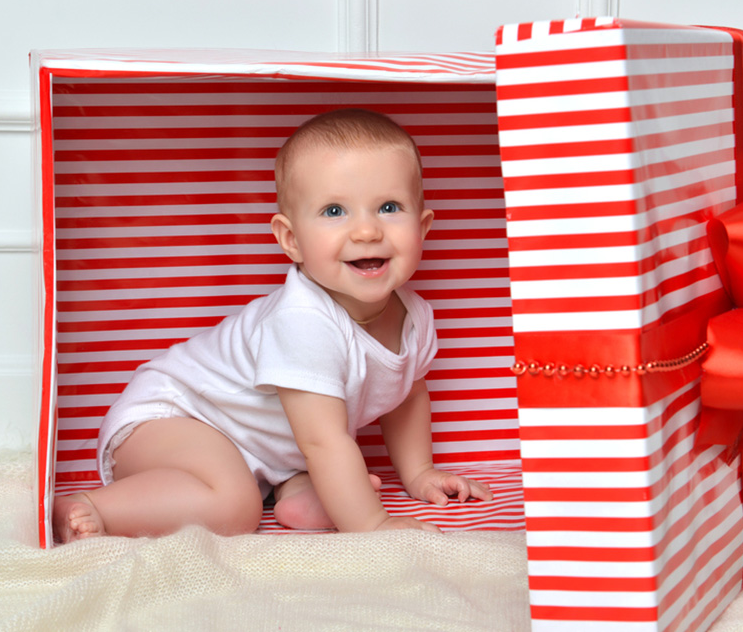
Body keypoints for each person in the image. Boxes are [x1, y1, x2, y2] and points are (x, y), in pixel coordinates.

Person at [53, 108, 492, 542]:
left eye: (389, 207)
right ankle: (94, 507)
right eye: (335, 210)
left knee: (323, 482)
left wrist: (418, 472)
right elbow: (323, 441)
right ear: (291, 240)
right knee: (235, 507)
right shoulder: (304, 321)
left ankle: (291, 492)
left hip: (264, 454)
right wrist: (371, 524)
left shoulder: (416, 318)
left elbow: (405, 395)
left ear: (423, 226)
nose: (366, 231)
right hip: (171, 421)